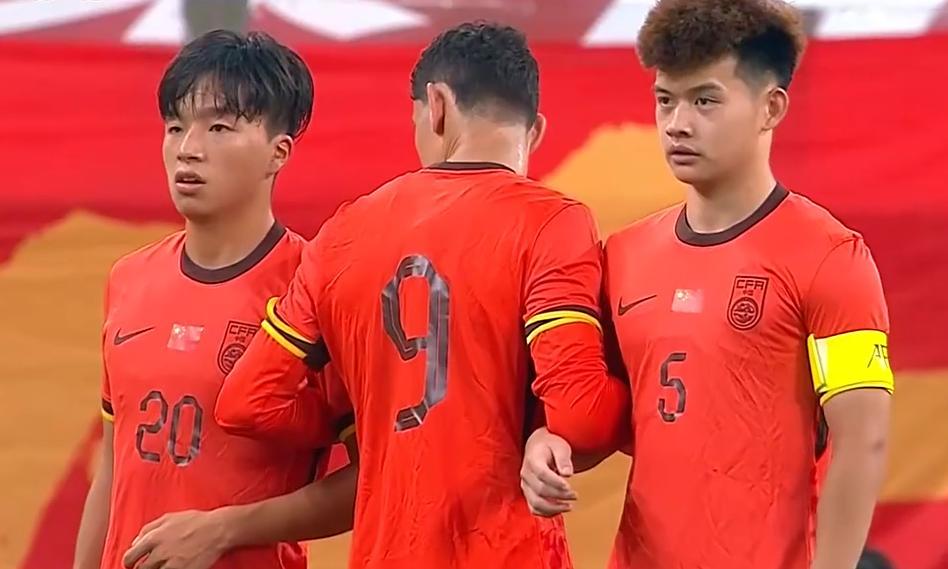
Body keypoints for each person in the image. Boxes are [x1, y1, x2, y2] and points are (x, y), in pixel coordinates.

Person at [213, 21, 629, 569]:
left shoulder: (343, 231)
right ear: (537, 131)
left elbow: (248, 402)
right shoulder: (553, 222)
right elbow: (581, 419)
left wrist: (371, 419)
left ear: (436, 106)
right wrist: (553, 429)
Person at [519, 1, 894, 569]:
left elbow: (863, 442)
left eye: (705, 100)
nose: (677, 123)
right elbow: (597, 412)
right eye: (665, 100)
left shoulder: (831, 258)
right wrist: (548, 443)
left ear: (771, 108)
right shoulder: (622, 255)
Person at [72, 29, 357, 569]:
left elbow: (375, 477)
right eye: (175, 127)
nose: (188, 148)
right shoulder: (128, 278)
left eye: (219, 127)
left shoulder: (316, 289)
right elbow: (113, 471)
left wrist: (226, 529)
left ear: (278, 152)